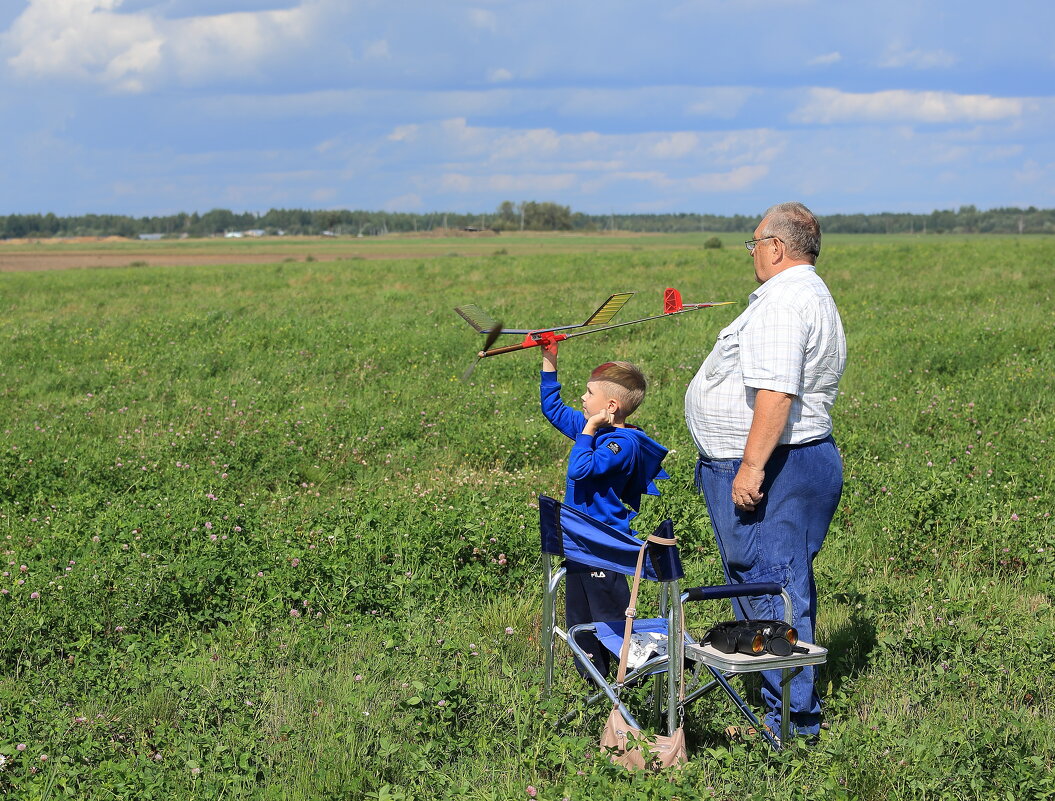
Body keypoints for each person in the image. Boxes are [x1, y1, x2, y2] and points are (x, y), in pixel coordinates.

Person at [684, 201, 846, 740]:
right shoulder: (807, 294)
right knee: (771, 586)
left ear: (777, 247)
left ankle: (791, 725)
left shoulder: (782, 304)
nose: (751, 253)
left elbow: (776, 394)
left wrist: (751, 469)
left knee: (775, 590)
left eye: (754, 243)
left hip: (775, 465)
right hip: (793, 459)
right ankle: (779, 711)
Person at [540, 341, 669, 679]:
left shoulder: (620, 444)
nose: (581, 398)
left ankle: (626, 683)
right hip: (580, 541)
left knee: (609, 619)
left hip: (602, 544)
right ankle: (594, 685)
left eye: (588, 392)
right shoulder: (599, 429)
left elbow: (580, 470)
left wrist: (587, 430)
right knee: (579, 620)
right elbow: (552, 408)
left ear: (609, 405)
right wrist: (549, 357)